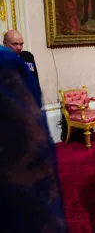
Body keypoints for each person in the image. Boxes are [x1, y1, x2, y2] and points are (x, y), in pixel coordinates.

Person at [0, 46, 67, 232]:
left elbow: (32, 153)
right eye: (15, 43)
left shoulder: (6, 64)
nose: (19, 47)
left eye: (21, 43)